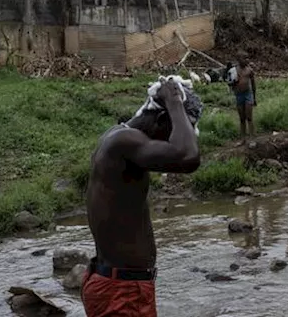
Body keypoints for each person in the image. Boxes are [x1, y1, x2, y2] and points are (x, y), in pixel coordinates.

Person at [83, 75, 203, 317]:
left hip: (120, 287)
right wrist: (175, 102)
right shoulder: (125, 142)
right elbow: (187, 156)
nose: (168, 144)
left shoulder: (117, 137)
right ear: (161, 119)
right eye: (172, 132)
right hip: (123, 293)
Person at [232, 57, 257, 138]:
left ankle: (252, 138)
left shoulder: (249, 70)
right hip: (239, 95)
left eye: (247, 58)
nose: (247, 60)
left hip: (248, 94)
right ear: (239, 60)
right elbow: (229, 82)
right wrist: (234, 82)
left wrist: (254, 97)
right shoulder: (234, 70)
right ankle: (243, 139)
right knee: (242, 119)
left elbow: (253, 84)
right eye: (244, 58)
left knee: (249, 117)